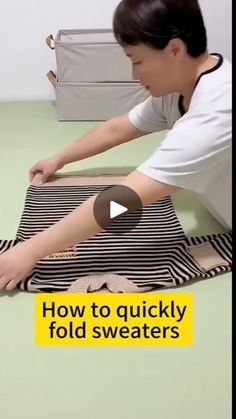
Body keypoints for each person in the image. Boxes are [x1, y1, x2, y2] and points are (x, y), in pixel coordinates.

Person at [0, 0, 231, 291]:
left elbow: (125, 199)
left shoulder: (218, 110)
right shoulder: (182, 87)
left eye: (137, 60)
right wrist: (60, 158)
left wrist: (30, 251)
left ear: (174, 50)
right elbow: (117, 128)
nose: (135, 75)